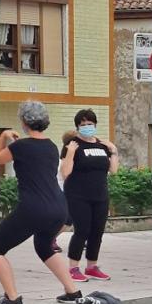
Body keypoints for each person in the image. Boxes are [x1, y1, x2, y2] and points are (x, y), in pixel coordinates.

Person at [0, 101, 83, 304]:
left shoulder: (19, 146)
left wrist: (3, 136)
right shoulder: (51, 146)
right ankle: (72, 291)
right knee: (44, 245)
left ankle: (12, 299)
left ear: (23, 121)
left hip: (33, 208)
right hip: (59, 207)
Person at [61, 109, 119, 283]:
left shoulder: (102, 145)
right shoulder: (73, 145)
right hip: (78, 195)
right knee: (82, 231)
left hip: (100, 195)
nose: (87, 127)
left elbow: (113, 170)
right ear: (78, 126)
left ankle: (92, 267)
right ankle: (73, 268)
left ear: (95, 124)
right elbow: (65, 173)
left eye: (90, 124)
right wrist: (70, 152)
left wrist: (114, 151)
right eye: (83, 124)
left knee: (97, 232)